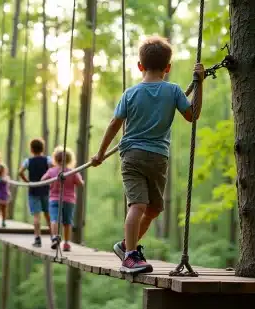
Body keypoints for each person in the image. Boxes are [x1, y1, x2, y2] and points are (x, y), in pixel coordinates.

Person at [91, 36, 205, 274]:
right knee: (139, 205)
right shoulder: (167, 90)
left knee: (153, 208)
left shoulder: (136, 93)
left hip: (150, 158)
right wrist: (200, 83)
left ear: (140, 66)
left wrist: (100, 154)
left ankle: (125, 246)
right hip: (140, 156)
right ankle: (130, 256)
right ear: (168, 67)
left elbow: (114, 124)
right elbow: (193, 115)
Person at [42, 146, 84, 251]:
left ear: (55, 159)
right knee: (67, 222)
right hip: (69, 200)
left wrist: (52, 180)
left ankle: (55, 237)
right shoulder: (72, 171)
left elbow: (42, 180)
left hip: (54, 199)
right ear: (70, 159)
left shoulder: (52, 171)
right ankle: (66, 243)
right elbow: (80, 184)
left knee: (54, 219)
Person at [18, 138, 53, 247]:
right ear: (42, 148)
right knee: (48, 215)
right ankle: (53, 237)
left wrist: (27, 181)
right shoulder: (48, 159)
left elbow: (20, 172)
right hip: (46, 189)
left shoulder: (28, 161)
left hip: (33, 190)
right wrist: (49, 180)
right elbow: (53, 169)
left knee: (36, 216)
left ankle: (37, 239)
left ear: (31, 149)